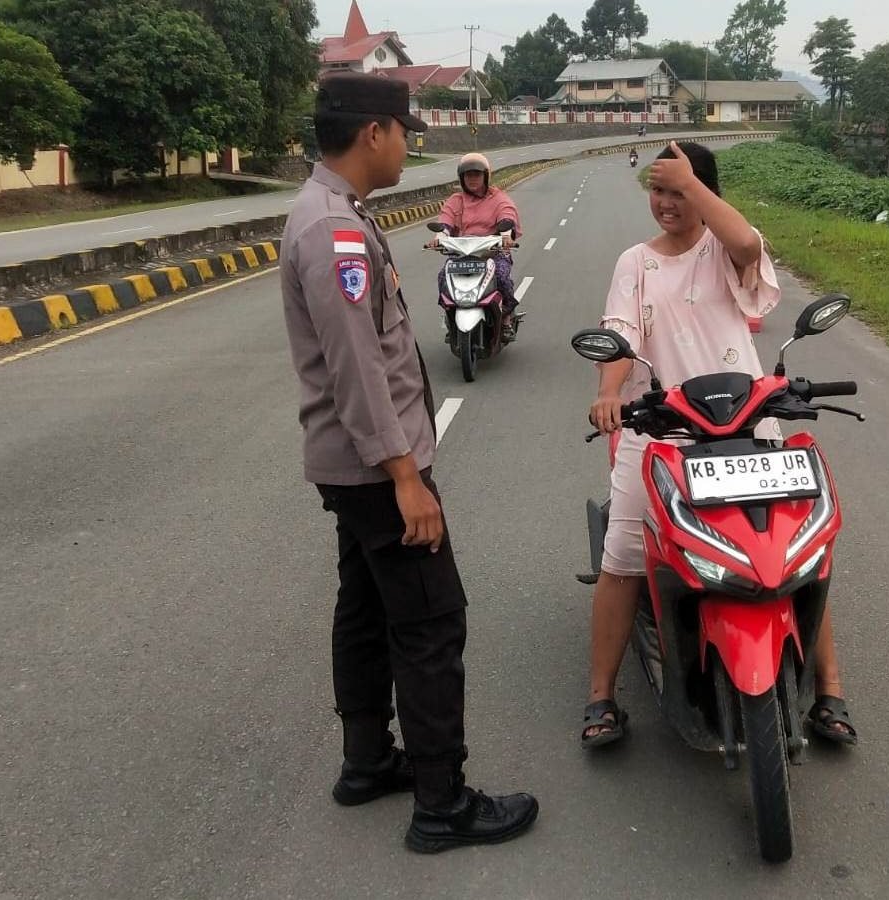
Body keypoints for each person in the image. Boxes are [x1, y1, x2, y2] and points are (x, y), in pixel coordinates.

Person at [280, 71, 538, 853]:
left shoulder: (332, 211)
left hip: (348, 464)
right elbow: (358, 366)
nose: (406, 146)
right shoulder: (336, 231)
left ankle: (366, 762)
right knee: (430, 621)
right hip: (374, 468)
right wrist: (404, 478)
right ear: (372, 134)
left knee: (363, 606)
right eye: (403, 132)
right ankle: (442, 803)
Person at [580, 141, 859, 748]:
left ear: (706, 193)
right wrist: (610, 396)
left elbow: (747, 245)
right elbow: (619, 334)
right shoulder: (635, 262)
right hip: (660, 427)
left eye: (678, 191)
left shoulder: (723, 250)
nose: (666, 203)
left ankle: (830, 690)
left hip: (748, 422)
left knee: (794, 554)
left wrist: (696, 187)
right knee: (624, 556)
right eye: (658, 191)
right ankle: (601, 697)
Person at [429, 152, 523, 342]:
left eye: (477, 175)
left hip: (493, 253)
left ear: (486, 176)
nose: (472, 179)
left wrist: (505, 235)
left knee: (502, 276)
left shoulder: (498, 198)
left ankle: (505, 317)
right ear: (462, 178)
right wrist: (440, 236)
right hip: (462, 254)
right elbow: (445, 221)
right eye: (468, 175)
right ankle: (450, 317)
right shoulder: (456, 200)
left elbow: (507, 215)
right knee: (443, 278)